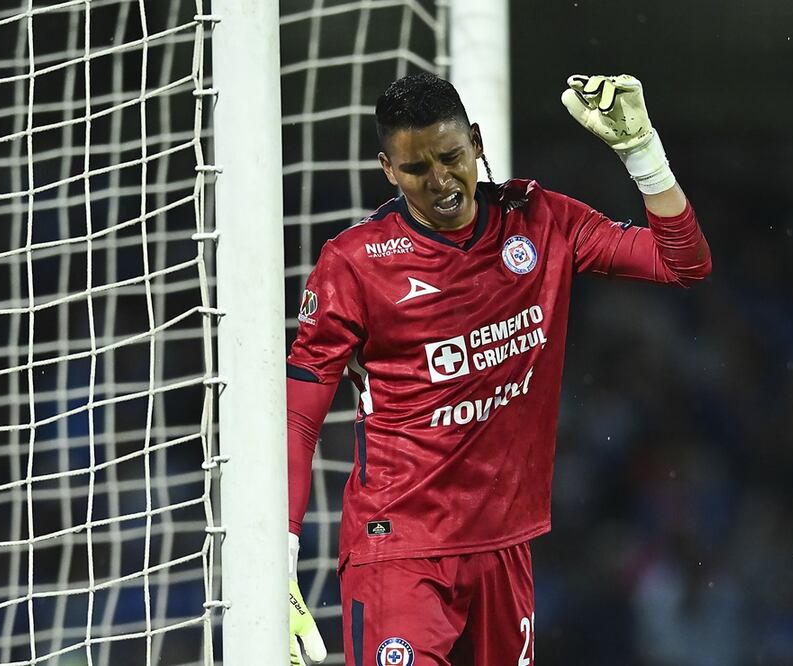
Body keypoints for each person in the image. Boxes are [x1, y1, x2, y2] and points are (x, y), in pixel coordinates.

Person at [285, 71, 712, 666]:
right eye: (416, 168)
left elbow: (683, 262)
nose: (440, 181)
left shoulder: (541, 221)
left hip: (505, 547)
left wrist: (643, 154)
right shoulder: (355, 263)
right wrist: (279, 555)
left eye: (451, 157)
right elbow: (299, 415)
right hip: (401, 548)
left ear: (477, 142)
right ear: (388, 170)